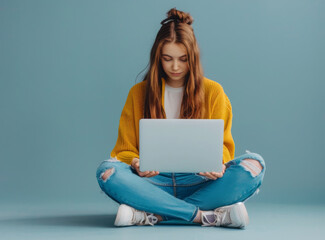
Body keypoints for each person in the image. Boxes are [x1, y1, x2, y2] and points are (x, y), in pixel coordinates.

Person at [96, 8, 266, 229]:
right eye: (167, 59)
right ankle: (205, 216)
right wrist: (136, 162)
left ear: (192, 58)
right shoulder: (138, 93)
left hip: (200, 182)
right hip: (152, 182)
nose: (175, 67)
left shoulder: (214, 92)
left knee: (254, 164)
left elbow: (224, 147)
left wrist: (218, 164)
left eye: (183, 59)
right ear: (158, 58)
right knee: (107, 172)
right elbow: (123, 151)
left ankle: (153, 214)